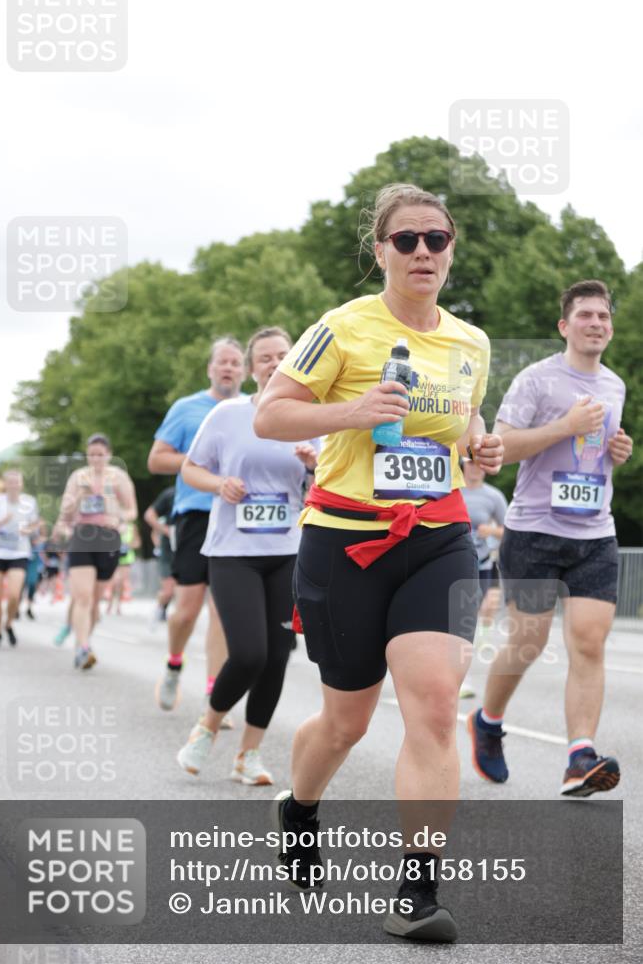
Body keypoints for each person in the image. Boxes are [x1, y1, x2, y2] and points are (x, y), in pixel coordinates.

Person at [254, 183, 503, 942]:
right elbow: (271, 413)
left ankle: (415, 894)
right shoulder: (342, 327)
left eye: (436, 238)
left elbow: (464, 420)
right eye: (407, 240)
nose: (423, 251)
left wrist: (477, 445)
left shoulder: (470, 342)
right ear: (381, 250)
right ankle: (298, 809)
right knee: (345, 721)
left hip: (438, 537)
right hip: (344, 539)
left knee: (432, 703)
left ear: (451, 247)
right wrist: (350, 413)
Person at [468, 280, 632, 798]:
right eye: (585, 315)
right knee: (528, 642)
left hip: (595, 533)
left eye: (603, 316)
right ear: (565, 326)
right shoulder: (536, 381)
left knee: (588, 641)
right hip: (535, 530)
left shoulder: (615, 386)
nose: (596, 324)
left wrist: (616, 452)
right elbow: (500, 447)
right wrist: (565, 425)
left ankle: (579, 755)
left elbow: (591, 455)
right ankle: (488, 722)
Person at [176, 326, 320, 786]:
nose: (275, 364)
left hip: (287, 550)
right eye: (264, 358)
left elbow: (329, 490)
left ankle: (248, 755)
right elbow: (190, 468)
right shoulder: (227, 414)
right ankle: (208, 725)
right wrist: (220, 484)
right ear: (253, 367)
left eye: (283, 355)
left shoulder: (313, 417)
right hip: (233, 551)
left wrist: (314, 467)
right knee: (250, 651)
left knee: (278, 654)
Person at [147, 337, 245, 714]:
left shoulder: (252, 409)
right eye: (222, 362)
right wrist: (200, 459)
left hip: (236, 514)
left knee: (222, 610)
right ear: (210, 368)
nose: (228, 369)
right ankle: (174, 664)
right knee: (186, 609)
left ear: (244, 370)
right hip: (195, 514)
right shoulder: (187, 408)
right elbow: (156, 460)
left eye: (236, 363)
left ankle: (214, 697)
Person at [52, 434, 137, 669]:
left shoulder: (119, 477)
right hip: (83, 535)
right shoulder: (78, 477)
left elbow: (132, 511)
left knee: (95, 602)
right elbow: (65, 510)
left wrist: (118, 517)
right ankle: (82, 648)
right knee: (83, 597)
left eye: (100, 454)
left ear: (109, 455)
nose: (96, 459)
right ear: (87, 455)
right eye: (92, 455)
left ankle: (85, 639)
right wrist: (81, 493)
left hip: (108, 537)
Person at [458, 458, 507, 698]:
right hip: (457, 564)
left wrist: (493, 531)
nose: (475, 468)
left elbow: (509, 529)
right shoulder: (453, 491)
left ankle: (482, 640)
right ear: (463, 465)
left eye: (479, 464)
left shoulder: (493, 496)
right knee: (463, 619)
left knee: (485, 609)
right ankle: (460, 677)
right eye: (470, 463)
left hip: (485, 563)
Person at [0, 469, 40, 646]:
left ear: (21, 484)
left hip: (19, 552)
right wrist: (2, 521)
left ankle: (8, 624)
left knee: (14, 595)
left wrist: (28, 530)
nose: (14, 485)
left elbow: (35, 525)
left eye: (17, 482)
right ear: (5, 484)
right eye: (11, 482)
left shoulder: (29, 502)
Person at [143, 486, 177, 625]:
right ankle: (159, 608)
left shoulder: (203, 492)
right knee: (168, 591)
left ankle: (177, 617)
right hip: (168, 550)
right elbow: (149, 515)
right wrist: (166, 531)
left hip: (187, 550)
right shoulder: (170, 494)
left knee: (182, 590)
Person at [106, 521, 141, 614]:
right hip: (114, 557)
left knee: (121, 582)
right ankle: (110, 604)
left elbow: (137, 543)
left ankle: (118, 605)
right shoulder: (112, 525)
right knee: (114, 581)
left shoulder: (132, 527)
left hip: (126, 559)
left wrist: (127, 545)